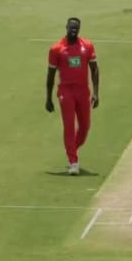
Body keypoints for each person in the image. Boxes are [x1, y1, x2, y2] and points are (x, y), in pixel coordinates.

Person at [46, 17, 99, 175]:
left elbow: (95, 69)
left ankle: (71, 148)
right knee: (69, 126)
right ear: (66, 28)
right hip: (66, 91)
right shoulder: (57, 48)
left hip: (83, 91)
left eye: (76, 28)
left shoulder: (87, 46)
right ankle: (73, 161)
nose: (73, 30)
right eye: (71, 28)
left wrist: (96, 92)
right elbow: (50, 74)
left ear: (79, 29)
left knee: (85, 127)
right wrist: (48, 97)